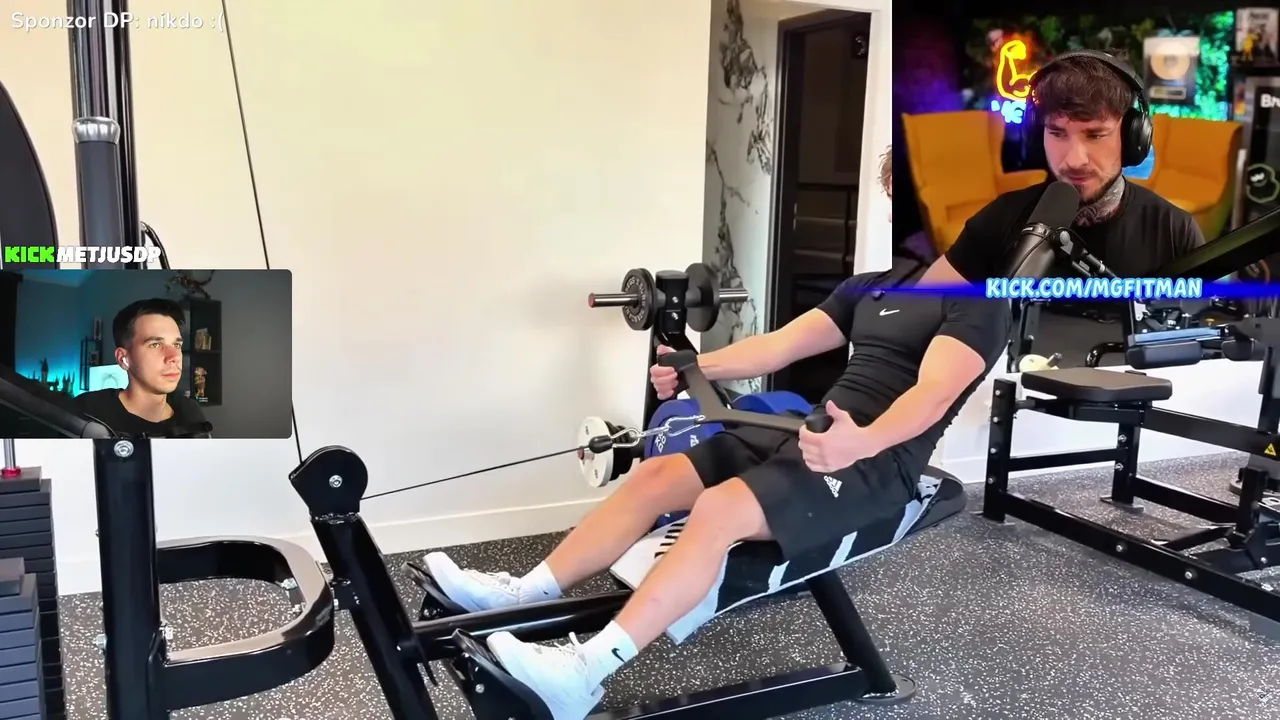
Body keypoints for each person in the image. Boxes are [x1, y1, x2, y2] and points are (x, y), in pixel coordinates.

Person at [421, 148, 1012, 719]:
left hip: (876, 461)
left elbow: (933, 394)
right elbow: (779, 345)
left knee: (719, 508)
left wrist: (862, 441)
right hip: (810, 429)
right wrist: (697, 366)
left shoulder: (979, 300)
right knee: (655, 476)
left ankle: (582, 676)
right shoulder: (874, 285)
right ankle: (525, 592)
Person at [922, 52, 1204, 286]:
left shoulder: (1174, 230)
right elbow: (919, 308)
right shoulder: (999, 219)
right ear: (1038, 135)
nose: (1074, 160)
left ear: (1133, 138)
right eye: (1057, 133)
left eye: (1095, 135)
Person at [75, 298, 210, 438]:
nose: (174, 357)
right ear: (123, 359)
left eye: (177, 345)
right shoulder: (87, 412)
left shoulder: (189, 412)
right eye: (155, 345)